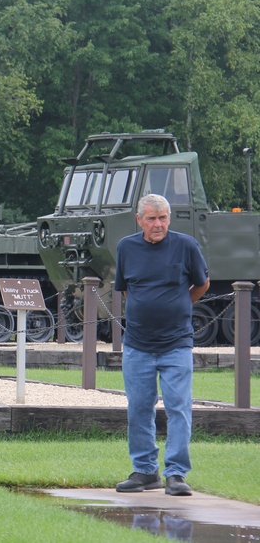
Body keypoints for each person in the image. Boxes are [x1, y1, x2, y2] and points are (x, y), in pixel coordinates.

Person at [114, 193, 209, 496]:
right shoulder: (126, 247)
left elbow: (202, 283)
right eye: (152, 218)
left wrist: (178, 305)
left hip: (176, 343)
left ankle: (176, 474)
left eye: (163, 218)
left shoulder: (186, 246)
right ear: (139, 220)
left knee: (178, 408)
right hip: (137, 344)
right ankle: (144, 471)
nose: (158, 224)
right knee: (139, 409)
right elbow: (126, 289)